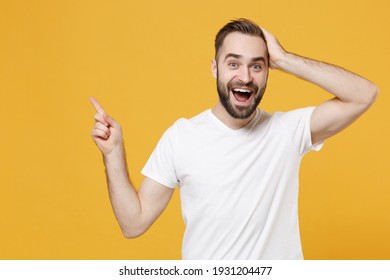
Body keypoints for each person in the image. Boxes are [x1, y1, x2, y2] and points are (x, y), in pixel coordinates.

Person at [90, 19, 378, 259]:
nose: (245, 77)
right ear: (215, 68)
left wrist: (285, 59)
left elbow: (364, 94)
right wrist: (113, 153)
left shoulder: (288, 131)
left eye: (257, 66)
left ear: (268, 72)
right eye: (233, 64)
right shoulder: (182, 137)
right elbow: (133, 223)